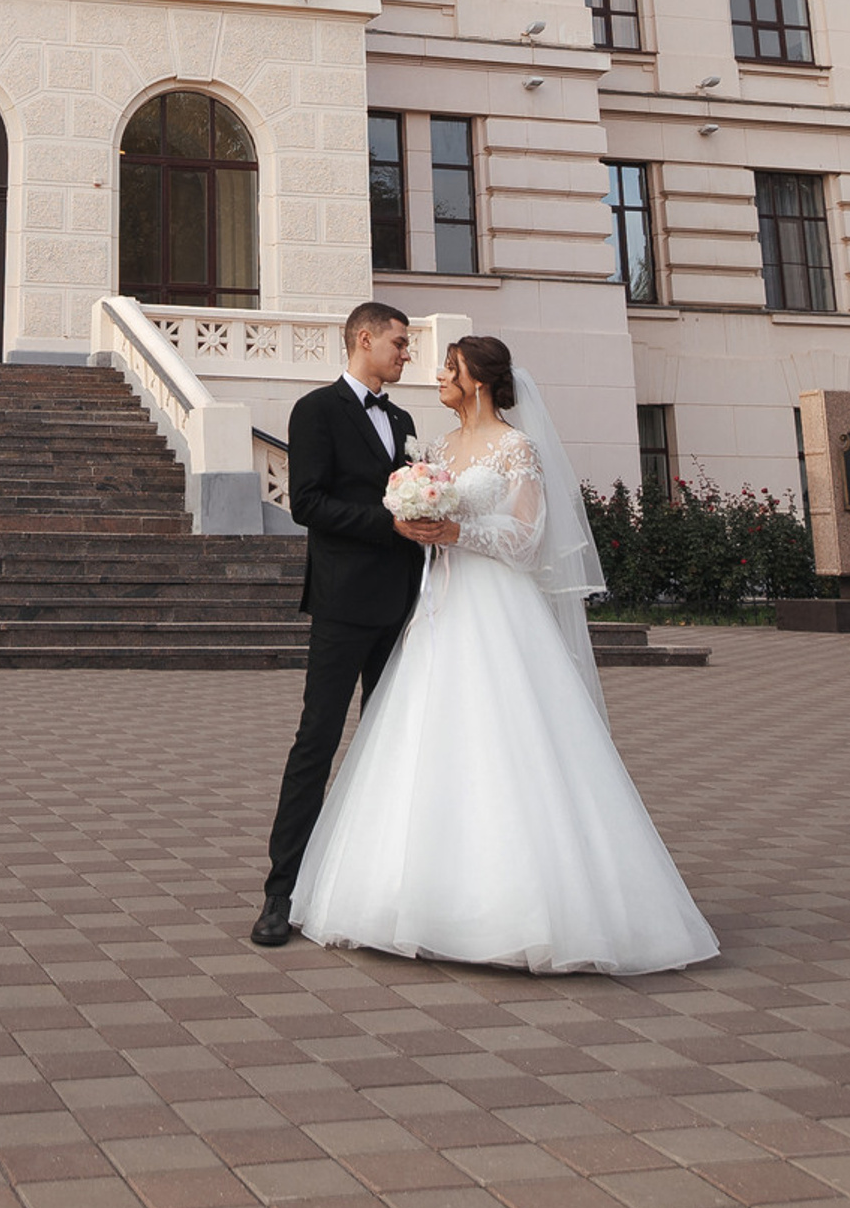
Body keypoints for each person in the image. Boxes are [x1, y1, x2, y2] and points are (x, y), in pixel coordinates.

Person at [284, 332, 718, 974]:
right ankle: (412, 897)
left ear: (478, 382)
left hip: (496, 608)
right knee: (426, 740)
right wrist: (420, 526)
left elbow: (527, 539)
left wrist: (456, 530)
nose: (434, 372)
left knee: (507, 740)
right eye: (422, 356)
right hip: (436, 607)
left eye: (448, 367)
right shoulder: (431, 446)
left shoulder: (517, 447)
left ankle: (532, 909)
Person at [250, 299, 425, 948]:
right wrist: (392, 524)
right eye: (399, 343)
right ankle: (279, 893)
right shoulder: (316, 411)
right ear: (364, 339)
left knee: (393, 747)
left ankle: (379, 892)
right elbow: (308, 504)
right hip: (344, 604)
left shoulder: (404, 418)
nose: (406, 353)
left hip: (404, 606)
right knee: (316, 743)